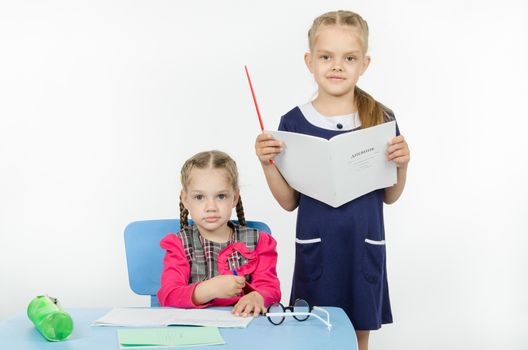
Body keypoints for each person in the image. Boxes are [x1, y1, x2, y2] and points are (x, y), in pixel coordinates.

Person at [254, 10, 410, 350]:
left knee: (357, 339)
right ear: (310, 61)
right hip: (318, 250)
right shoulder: (293, 122)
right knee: (313, 335)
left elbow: (390, 195)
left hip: (362, 246)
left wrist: (403, 164)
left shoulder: (381, 118)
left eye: (349, 58)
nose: (337, 66)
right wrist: (268, 164)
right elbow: (288, 201)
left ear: (364, 64)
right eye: (326, 57)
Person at [157, 150, 281, 317]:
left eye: (221, 196)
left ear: (235, 197)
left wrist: (258, 296)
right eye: (199, 197)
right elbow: (168, 296)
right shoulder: (179, 244)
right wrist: (208, 289)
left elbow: (270, 289)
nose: (211, 207)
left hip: (248, 328)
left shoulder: (260, 241)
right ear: (185, 199)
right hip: (195, 331)